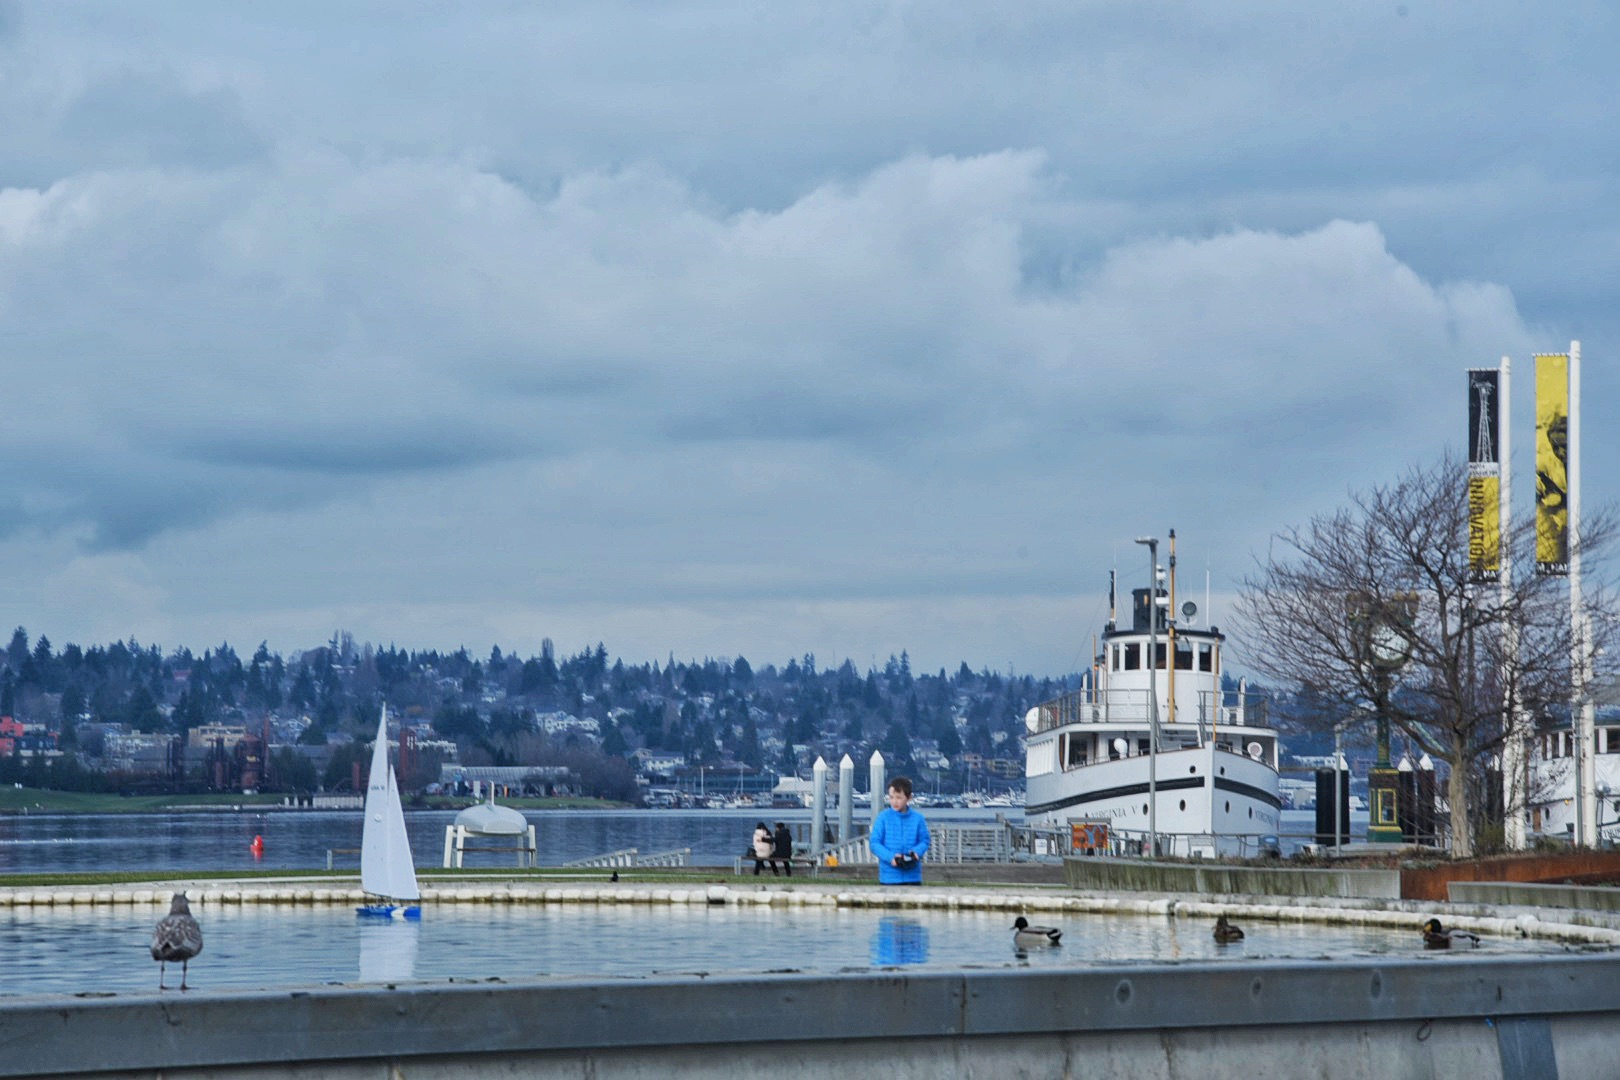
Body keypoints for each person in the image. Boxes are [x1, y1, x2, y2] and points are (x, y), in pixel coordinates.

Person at [868, 776, 930, 885]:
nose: (894, 801)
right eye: (891, 797)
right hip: (889, 877)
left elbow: (925, 840)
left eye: (898, 797)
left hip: (913, 877)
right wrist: (890, 857)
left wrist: (916, 852)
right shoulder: (883, 817)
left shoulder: (918, 818)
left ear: (909, 797)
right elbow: (874, 843)